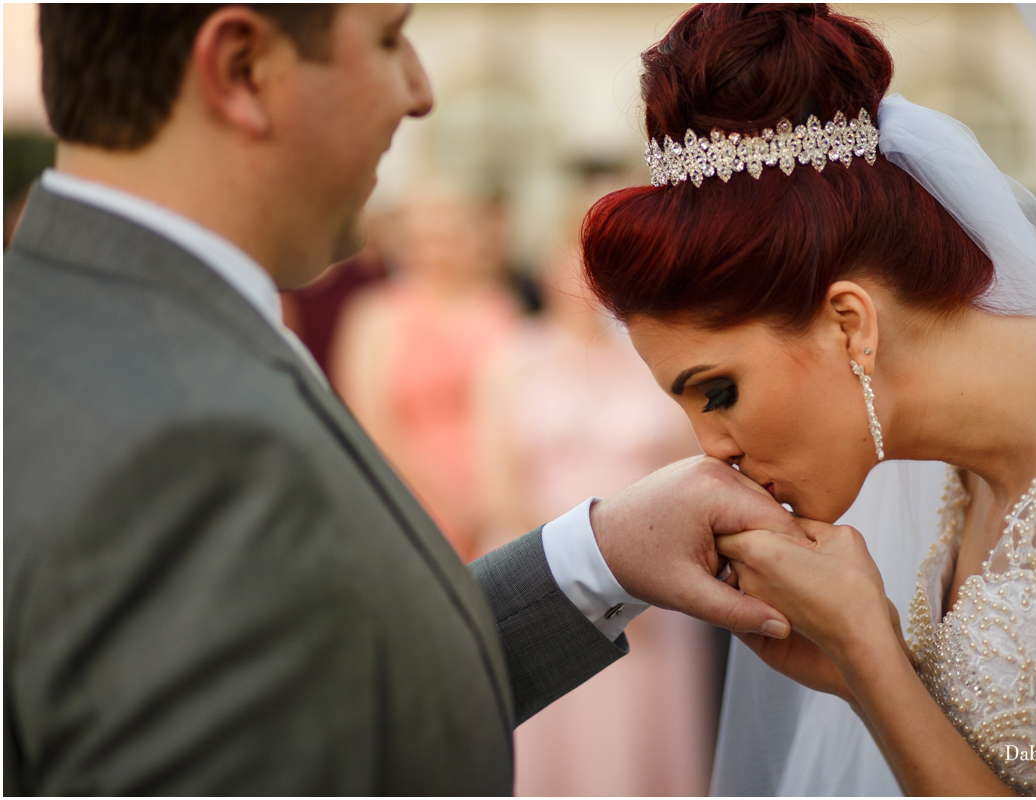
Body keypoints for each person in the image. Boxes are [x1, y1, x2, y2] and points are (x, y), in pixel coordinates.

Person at [3, 5, 796, 794]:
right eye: (388, 39)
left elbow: (326, 697)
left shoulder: (119, 331)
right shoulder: (176, 423)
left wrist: (597, 557)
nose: (419, 91)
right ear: (244, 70)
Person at [581, 4, 1036, 796]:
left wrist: (872, 663)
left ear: (850, 324)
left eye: (718, 391)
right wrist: (854, 664)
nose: (713, 448)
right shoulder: (953, 467)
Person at [475, 205, 717, 795]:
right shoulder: (513, 356)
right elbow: (495, 481)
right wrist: (584, 563)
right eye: (578, 260)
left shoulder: (659, 362)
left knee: (638, 742)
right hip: (542, 565)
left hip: (652, 580)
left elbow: (695, 466)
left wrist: (639, 565)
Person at [331, 189, 519, 560]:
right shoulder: (375, 316)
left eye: (449, 237)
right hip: (406, 496)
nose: (438, 250)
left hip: (495, 500)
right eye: (425, 239)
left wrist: (493, 502)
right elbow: (372, 423)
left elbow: (517, 411)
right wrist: (448, 503)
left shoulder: (500, 310)